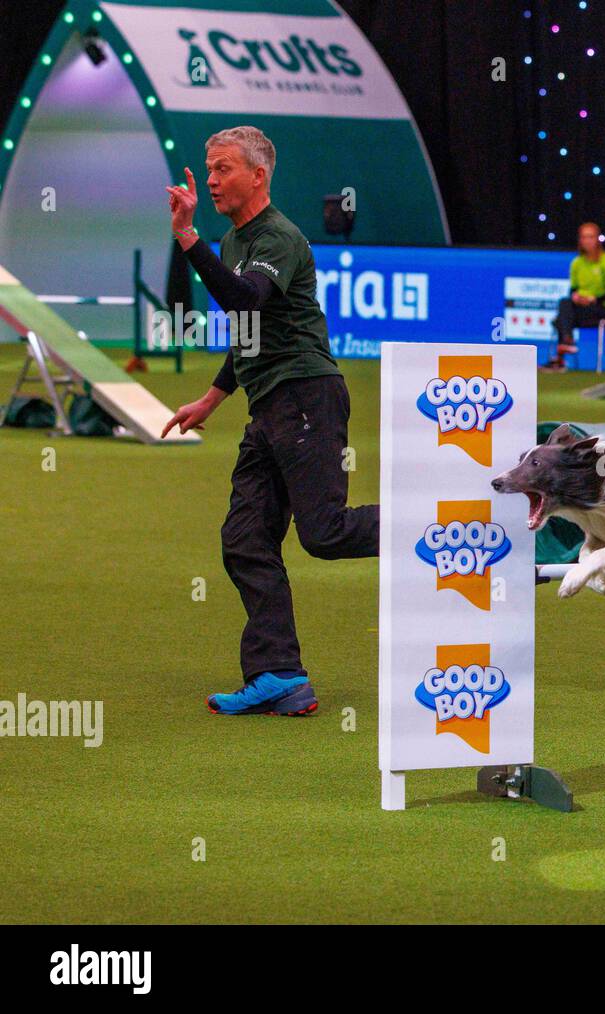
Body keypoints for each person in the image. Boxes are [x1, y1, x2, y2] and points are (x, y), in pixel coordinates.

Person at [161, 125, 378, 717]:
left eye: (222, 168)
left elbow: (243, 302)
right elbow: (249, 334)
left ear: (258, 175)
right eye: (207, 168)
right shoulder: (234, 243)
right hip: (270, 407)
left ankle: (440, 524)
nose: (209, 180)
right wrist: (210, 399)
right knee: (245, 539)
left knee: (325, 534)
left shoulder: (277, 236)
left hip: (306, 396)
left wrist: (186, 238)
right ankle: (279, 674)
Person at [545, 222, 605, 371]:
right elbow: (573, 290)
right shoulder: (577, 263)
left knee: (563, 315)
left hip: (600, 307)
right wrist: (576, 297)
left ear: (598, 239)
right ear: (580, 240)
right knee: (565, 304)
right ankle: (567, 342)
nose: (587, 241)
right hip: (580, 308)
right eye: (584, 237)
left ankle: (561, 357)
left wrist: (593, 299)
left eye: (591, 237)